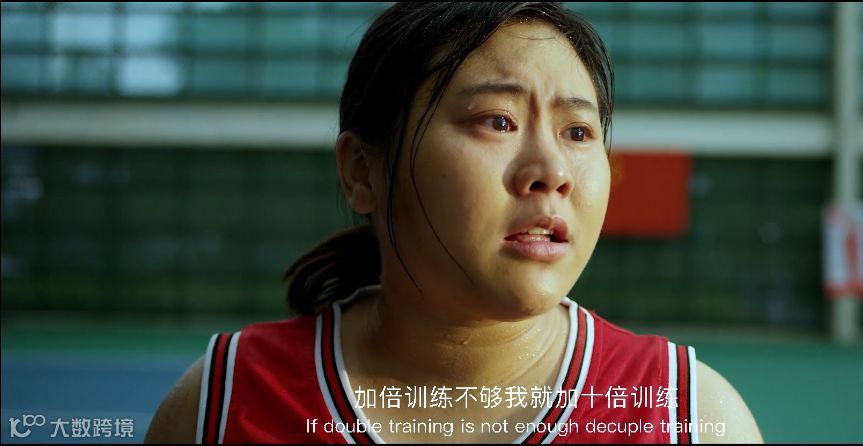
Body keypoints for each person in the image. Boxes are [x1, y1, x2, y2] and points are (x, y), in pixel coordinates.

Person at [145, 3, 762, 444]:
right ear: (363, 171)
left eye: (578, 132)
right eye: (497, 121)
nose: (551, 172)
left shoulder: (689, 417)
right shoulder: (219, 407)